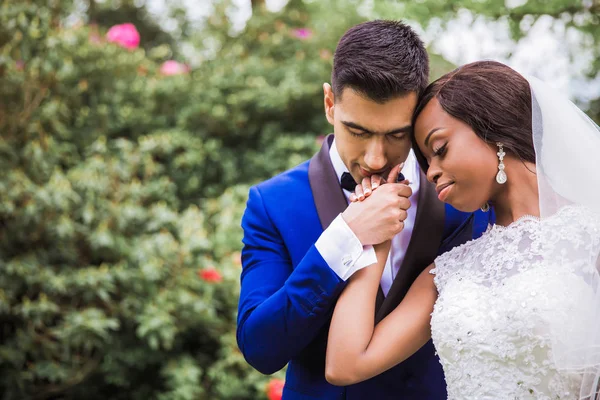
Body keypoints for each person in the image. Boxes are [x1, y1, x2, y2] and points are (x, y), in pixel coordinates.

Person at [237, 20, 492, 399]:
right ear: (329, 104)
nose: (375, 157)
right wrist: (345, 237)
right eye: (357, 131)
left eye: (396, 134)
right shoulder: (272, 204)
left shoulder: (467, 197)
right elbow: (261, 349)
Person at [325, 60, 600, 399]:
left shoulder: (592, 238)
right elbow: (344, 365)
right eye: (426, 161)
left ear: (494, 128)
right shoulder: (448, 272)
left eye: (439, 150)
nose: (430, 173)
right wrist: (374, 240)